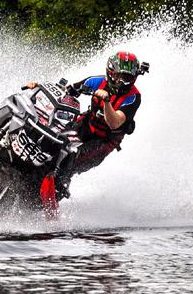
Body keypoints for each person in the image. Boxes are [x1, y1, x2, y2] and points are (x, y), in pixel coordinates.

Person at [27, 51, 147, 198]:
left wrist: (107, 102)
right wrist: (40, 88)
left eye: (126, 78)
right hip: (84, 126)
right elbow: (65, 93)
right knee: (55, 138)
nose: (121, 82)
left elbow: (115, 123)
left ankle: (55, 189)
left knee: (71, 157)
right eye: (118, 76)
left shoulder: (134, 98)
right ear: (110, 72)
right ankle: (30, 168)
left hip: (103, 141)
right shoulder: (96, 81)